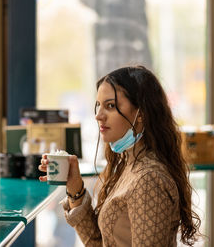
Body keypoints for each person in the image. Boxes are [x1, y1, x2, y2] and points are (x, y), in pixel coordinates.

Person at [39, 65, 201, 246]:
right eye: (98, 105)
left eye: (110, 106)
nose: (98, 116)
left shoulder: (148, 179)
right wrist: (75, 186)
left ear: (141, 113)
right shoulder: (129, 165)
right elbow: (99, 243)